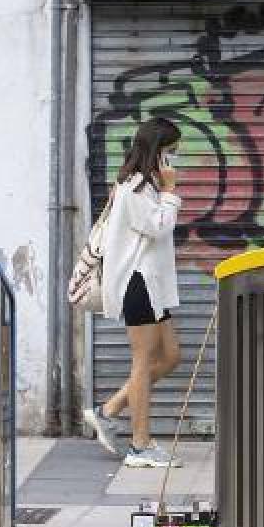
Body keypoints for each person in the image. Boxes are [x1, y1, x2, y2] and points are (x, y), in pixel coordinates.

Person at [83, 117, 184, 468]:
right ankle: (140, 446)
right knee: (143, 363)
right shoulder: (137, 187)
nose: (174, 160)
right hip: (138, 283)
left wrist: (165, 190)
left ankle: (108, 410)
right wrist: (171, 193)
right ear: (156, 153)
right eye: (171, 152)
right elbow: (156, 227)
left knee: (170, 356)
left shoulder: (146, 186)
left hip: (153, 286)